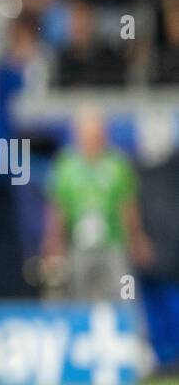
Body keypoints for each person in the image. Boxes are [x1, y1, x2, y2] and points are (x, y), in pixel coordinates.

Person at [43, 109, 153, 300]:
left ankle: (129, 325)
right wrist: (54, 243)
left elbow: (128, 206)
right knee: (78, 296)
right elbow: (58, 209)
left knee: (126, 292)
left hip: (114, 242)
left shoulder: (118, 164)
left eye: (96, 134)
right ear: (78, 135)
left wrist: (136, 240)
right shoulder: (67, 166)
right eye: (88, 135)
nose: (93, 140)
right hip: (79, 245)